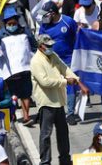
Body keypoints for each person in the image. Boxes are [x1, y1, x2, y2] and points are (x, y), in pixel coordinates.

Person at [31, 33, 89, 165]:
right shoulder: (36, 61)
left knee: (63, 133)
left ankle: (64, 159)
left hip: (58, 101)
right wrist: (65, 82)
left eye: (51, 45)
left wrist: (79, 82)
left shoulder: (53, 56)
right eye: (48, 46)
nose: (50, 47)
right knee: (46, 134)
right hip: (46, 102)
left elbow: (65, 68)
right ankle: (45, 161)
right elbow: (45, 82)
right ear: (41, 46)